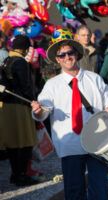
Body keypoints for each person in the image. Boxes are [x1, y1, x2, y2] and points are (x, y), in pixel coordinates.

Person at [31, 29, 108, 200]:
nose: (67, 57)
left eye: (69, 53)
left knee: (100, 191)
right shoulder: (51, 85)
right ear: (57, 59)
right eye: (61, 55)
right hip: (69, 144)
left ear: (76, 53)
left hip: (97, 142)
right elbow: (43, 111)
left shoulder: (95, 79)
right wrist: (39, 111)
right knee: (74, 192)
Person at [0, 34, 39, 186]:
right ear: (25, 48)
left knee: (12, 142)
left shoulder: (6, 60)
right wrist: (33, 101)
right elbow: (26, 86)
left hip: (6, 107)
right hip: (20, 106)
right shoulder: (21, 62)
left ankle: (15, 174)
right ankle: (21, 175)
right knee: (25, 142)